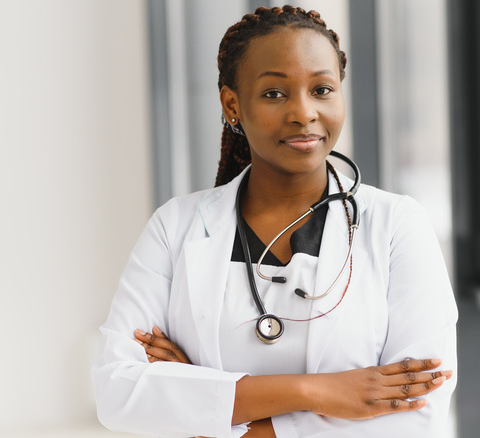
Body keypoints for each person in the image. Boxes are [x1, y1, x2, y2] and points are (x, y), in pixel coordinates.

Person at [92, 5, 457, 437]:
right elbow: (118, 393)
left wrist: (209, 406)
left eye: (322, 89)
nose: (303, 113)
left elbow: (417, 410)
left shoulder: (397, 225)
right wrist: (316, 391)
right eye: (274, 94)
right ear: (232, 104)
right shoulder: (175, 226)